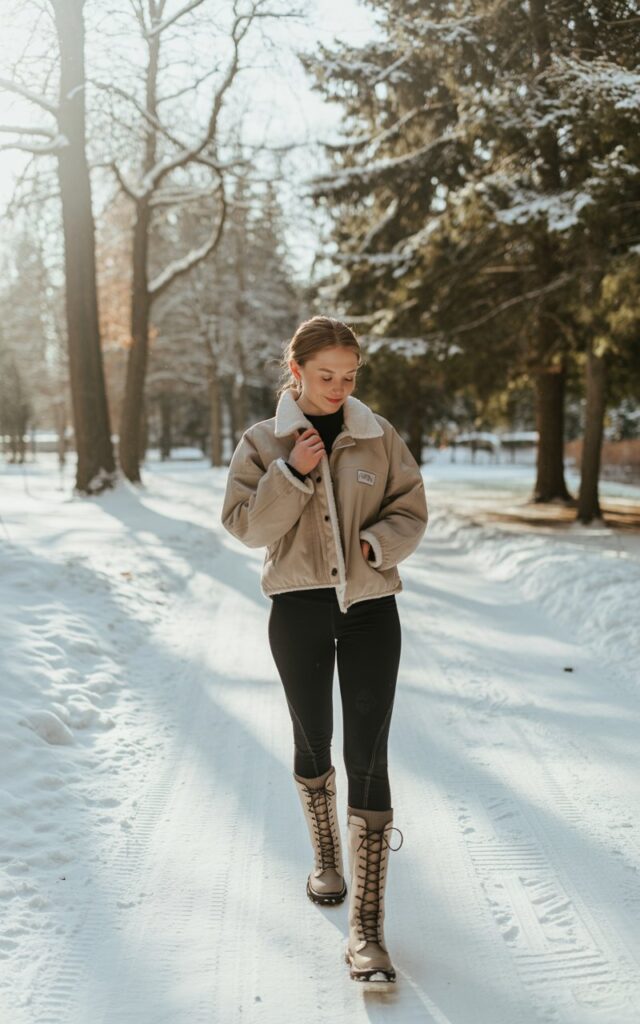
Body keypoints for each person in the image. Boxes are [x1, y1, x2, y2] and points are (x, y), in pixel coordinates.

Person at [220, 315, 428, 983]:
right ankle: (326, 861)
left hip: (372, 613)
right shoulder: (263, 441)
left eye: (349, 376)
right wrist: (290, 472)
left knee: (368, 755)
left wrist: (377, 548)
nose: (339, 388)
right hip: (299, 612)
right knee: (313, 741)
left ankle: (366, 929)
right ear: (297, 372)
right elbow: (247, 528)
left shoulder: (379, 436)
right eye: (325, 375)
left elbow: (411, 509)